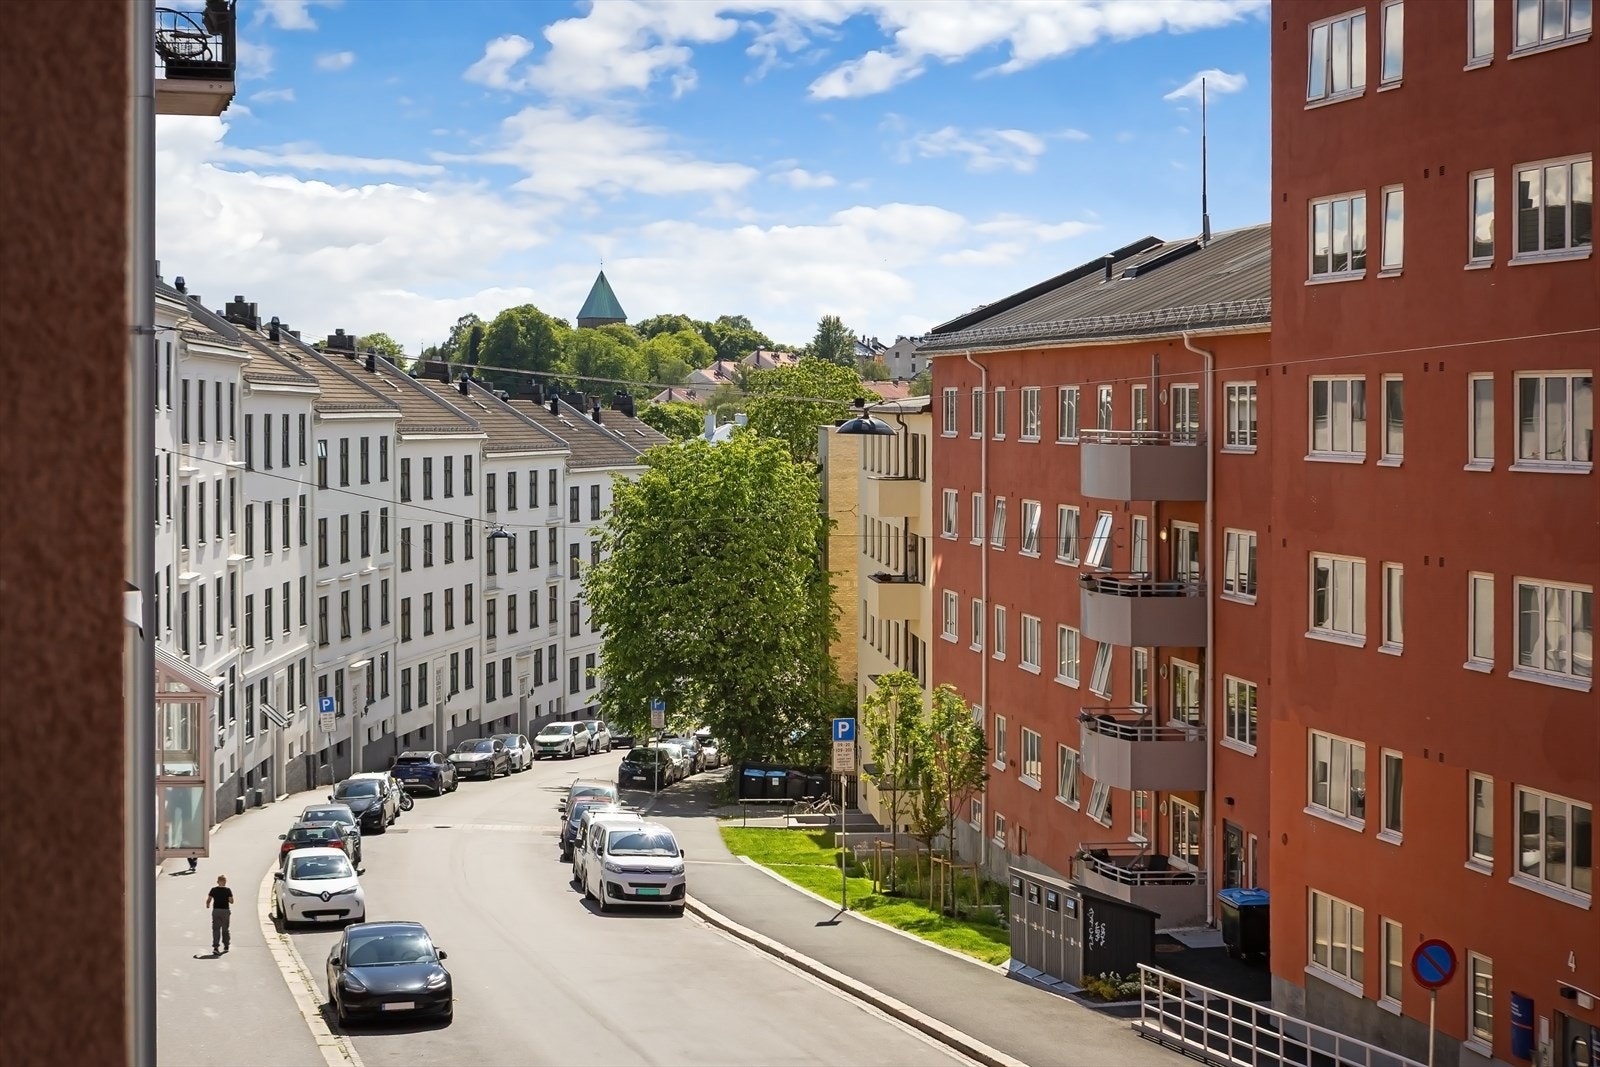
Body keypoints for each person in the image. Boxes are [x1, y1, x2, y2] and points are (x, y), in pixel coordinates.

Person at [205, 875, 234, 954]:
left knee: (216, 929)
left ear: (217, 882)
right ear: (225, 882)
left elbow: (209, 899)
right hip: (225, 911)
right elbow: (231, 901)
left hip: (216, 911)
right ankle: (226, 945)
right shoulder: (228, 890)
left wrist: (207, 905)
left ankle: (216, 947)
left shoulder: (213, 890)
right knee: (225, 929)